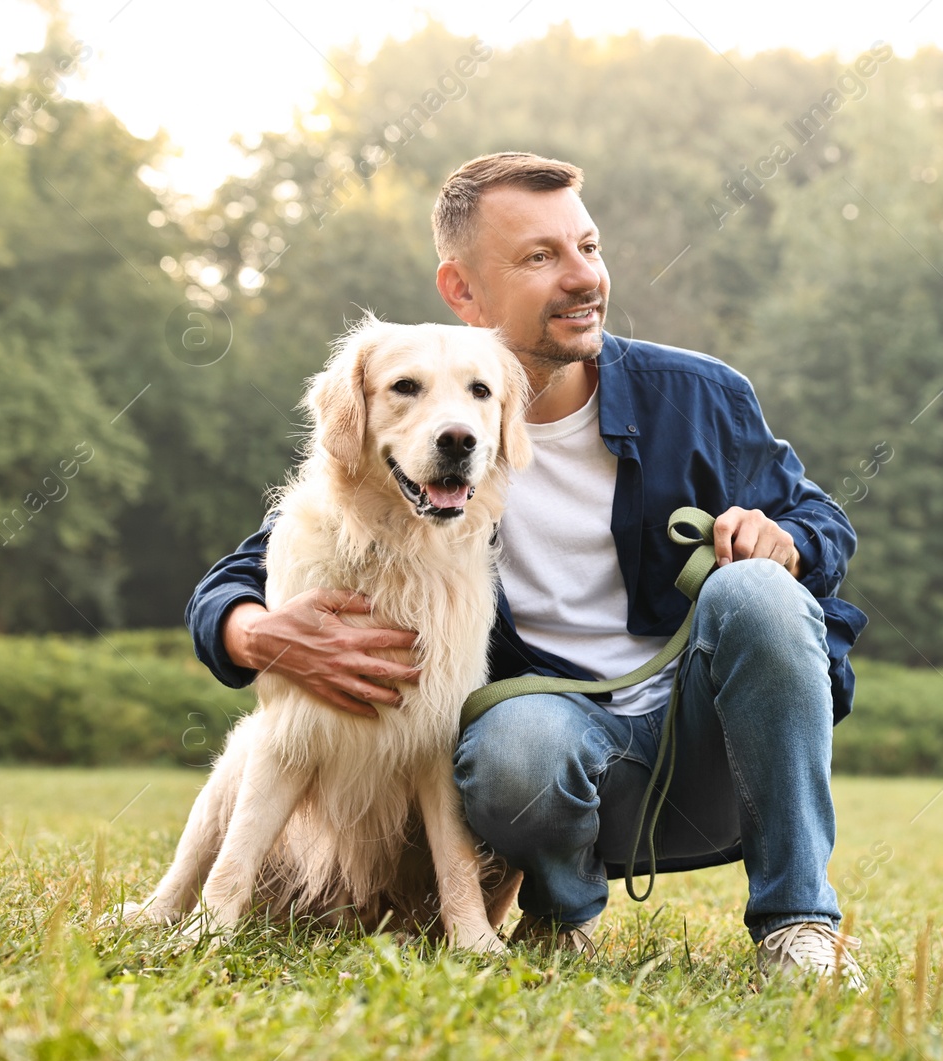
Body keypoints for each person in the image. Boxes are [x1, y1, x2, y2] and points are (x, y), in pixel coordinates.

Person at [185, 152, 868, 987]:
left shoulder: (698, 395)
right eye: (541, 258)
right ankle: (561, 918)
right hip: (545, 770)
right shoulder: (410, 451)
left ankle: (798, 924)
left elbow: (823, 521)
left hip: (713, 758)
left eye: (589, 246)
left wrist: (784, 539)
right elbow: (251, 568)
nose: (583, 278)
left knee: (759, 588)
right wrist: (256, 632)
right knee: (514, 739)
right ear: (462, 290)